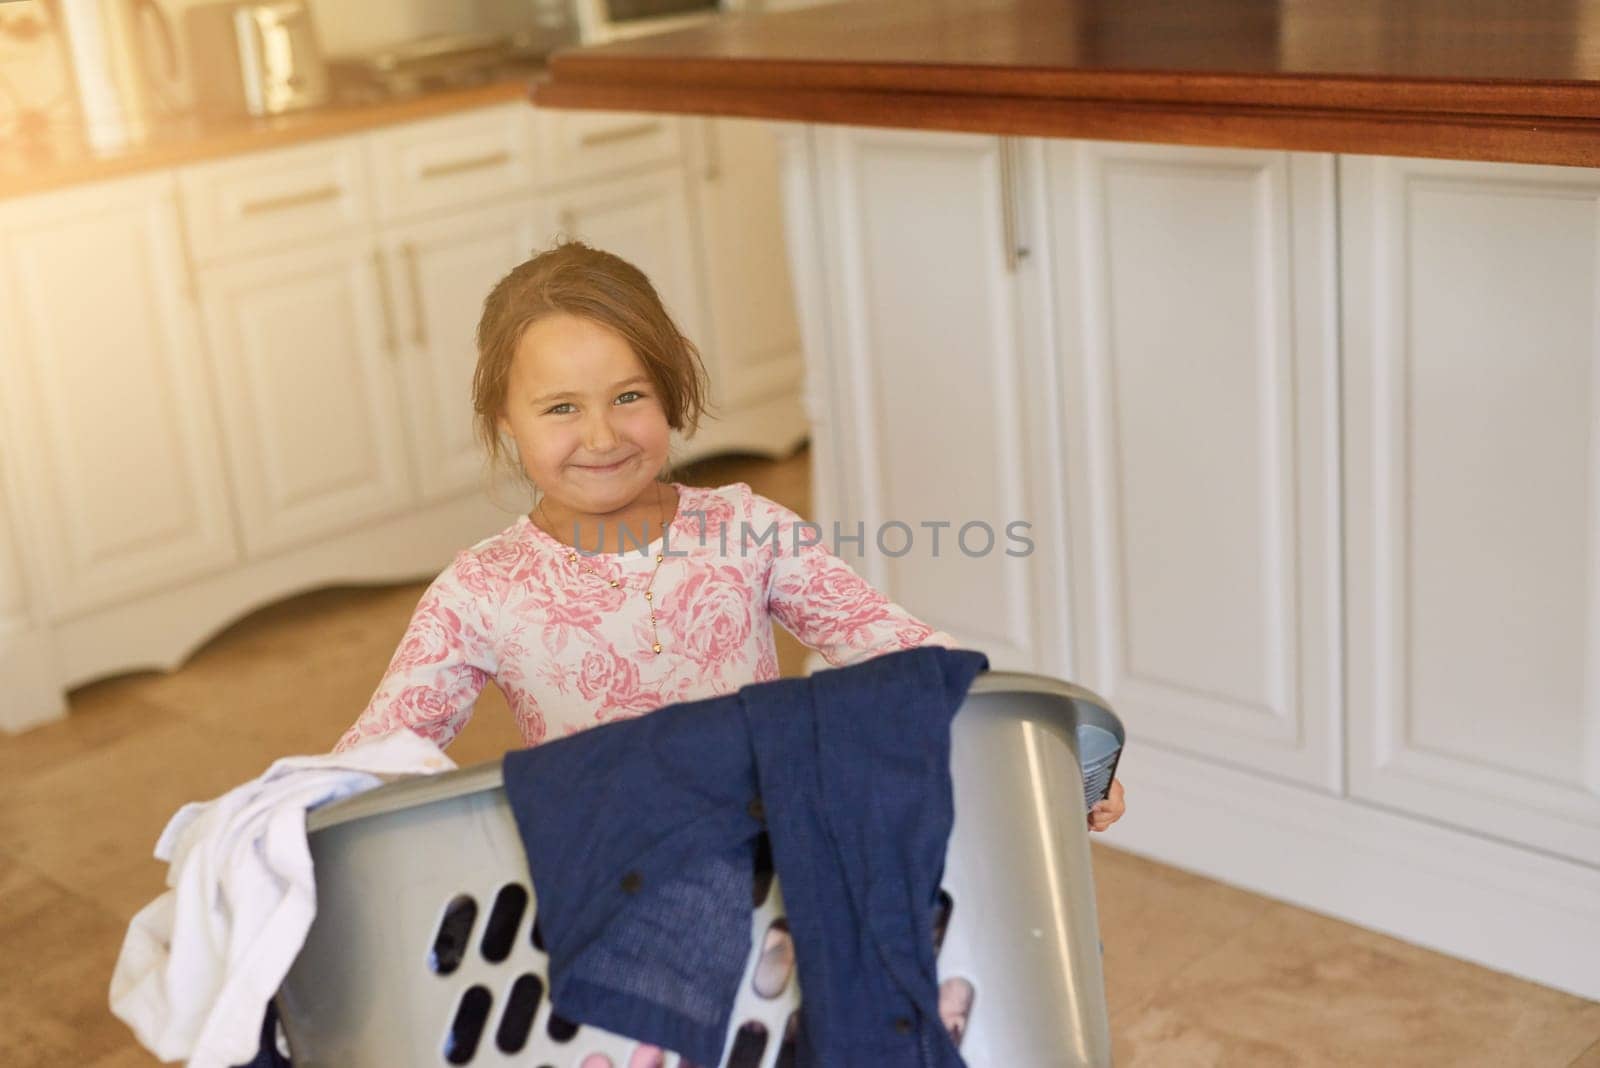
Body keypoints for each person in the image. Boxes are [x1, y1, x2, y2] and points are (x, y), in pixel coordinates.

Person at [332, 239, 1125, 833]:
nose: (602, 435)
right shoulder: (479, 591)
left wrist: (1050, 755)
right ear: (505, 421)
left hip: (777, 851)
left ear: (672, 393)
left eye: (629, 395)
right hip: (606, 876)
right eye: (561, 408)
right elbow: (375, 758)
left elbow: (901, 654)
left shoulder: (747, 529)